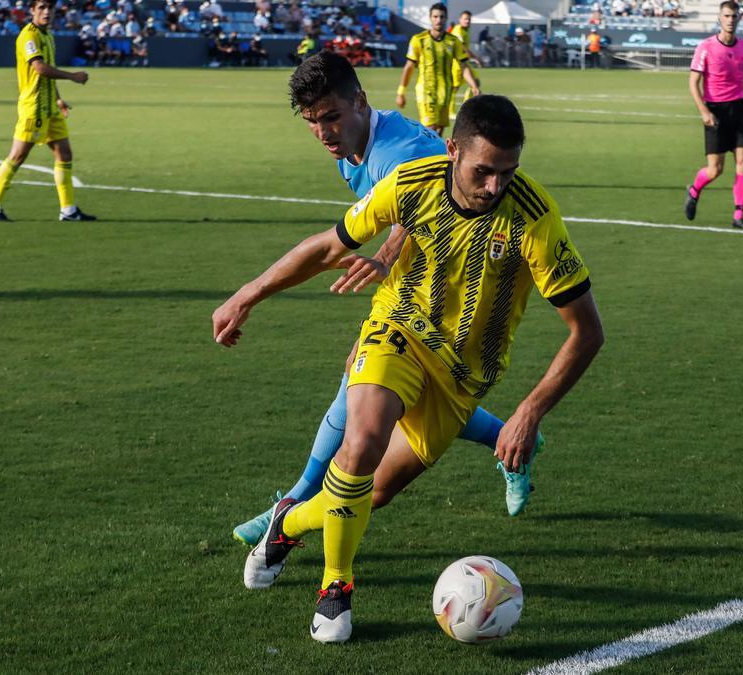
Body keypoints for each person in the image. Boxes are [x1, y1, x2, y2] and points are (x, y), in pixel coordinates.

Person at [217, 94, 603, 643]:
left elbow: (586, 331)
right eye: (483, 171)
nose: (496, 186)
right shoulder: (410, 183)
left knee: (370, 493)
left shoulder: (534, 218)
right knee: (363, 442)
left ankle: (288, 521)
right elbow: (329, 246)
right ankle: (336, 588)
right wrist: (247, 294)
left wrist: (529, 412)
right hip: (398, 330)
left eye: (508, 172)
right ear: (453, 152)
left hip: (463, 379)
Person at [231, 53, 548, 548]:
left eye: (332, 117)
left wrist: (385, 254)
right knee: (388, 398)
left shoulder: (397, 151)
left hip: (454, 295)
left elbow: (425, 193)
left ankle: (289, 507)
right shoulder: (350, 147)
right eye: (313, 122)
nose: (324, 132)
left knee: (362, 395)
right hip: (412, 289)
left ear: (360, 100)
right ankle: (511, 444)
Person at [0, 0, 96, 222]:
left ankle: (68, 210)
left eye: (50, 8)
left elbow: (46, 76)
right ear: (32, 10)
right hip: (33, 108)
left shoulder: (48, 35)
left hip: (50, 108)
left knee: (64, 154)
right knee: (17, 156)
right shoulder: (29, 36)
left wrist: (59, 99)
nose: (46, 12)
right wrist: (73, 76)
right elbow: (40, 69)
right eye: (41, 7)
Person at [683, 1, 743, 231]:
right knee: (715, 169)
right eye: (727, 16)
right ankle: (694, 190)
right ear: (720, 19)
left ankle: (738, 216)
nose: (731, 20)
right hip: (716, 111)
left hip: (740, 110)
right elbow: (693, 82)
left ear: (739, 19)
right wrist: (704, 112)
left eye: (734, 16)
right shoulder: (706, 47)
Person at [396, 2, 479, 136]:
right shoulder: (419, 40)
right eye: (435, 17)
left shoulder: (453, 41)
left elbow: (464, 66)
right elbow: (409, 66)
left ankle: (431, 156)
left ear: (446, 18)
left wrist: (474, 86)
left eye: (441, 17)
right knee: (430, 130)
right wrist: (401, 91)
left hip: (445, 92)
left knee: (438, 131)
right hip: (426, 91)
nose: (438, 20)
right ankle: (418, 155)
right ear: (430, 18)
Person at [449, 11, 483, 108]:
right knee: (454, 87)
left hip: (463, 62)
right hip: (456, 62)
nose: (467, 21)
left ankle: (467, 105)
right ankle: (450, 111)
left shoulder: (465, 31)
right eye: (465, 19)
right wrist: (475, 58)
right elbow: (463, 47)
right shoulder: (457, 30)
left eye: (469, 19)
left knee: (475, 82)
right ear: (460, 20)